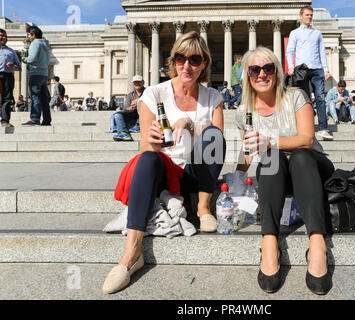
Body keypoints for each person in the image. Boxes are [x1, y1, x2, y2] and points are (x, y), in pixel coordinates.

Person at [102, 31, 225, 294]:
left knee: (212, 134)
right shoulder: (153, 94)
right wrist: (153, 142)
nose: (187, 66)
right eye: (181, 58)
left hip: (194, 171)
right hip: (163, 169)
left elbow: (218, 139)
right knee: (147, 156)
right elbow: (145, 146)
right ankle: (132, 254)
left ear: (204, 63)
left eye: (194, 59)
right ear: (174, 60)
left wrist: (190, 124)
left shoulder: (213, 96)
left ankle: (203, 208)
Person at [235, 46, 335, 295]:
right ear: (247, 75)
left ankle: (317, 243)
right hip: (277, 174)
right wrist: (234, 178)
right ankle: (269, 242)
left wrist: (269, 141)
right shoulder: (243, 112)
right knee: (271, 157)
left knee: (298, 155)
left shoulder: (296, 96)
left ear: (277, 73)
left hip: (311, 167)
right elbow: (248, 152)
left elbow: (308, 139)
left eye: (268, 68)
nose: (262, 74)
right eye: (255, 69)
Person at [286, 5, 333, 141]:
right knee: (305, 99)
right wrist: (291, 66)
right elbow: (290, 51)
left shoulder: (317, 33)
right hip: (302, 70)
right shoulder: (295, 33)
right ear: (301, 16)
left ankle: (323, 128)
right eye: (307, 15)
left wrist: (326, 69)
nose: (309, 17)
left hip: (317, 68)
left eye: (311, 15)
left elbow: (322, 52)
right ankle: (307, 127)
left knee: (320, 98)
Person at [22, 26, 51, 126]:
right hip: (44, 74)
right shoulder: (46, 45)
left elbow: (32, 59)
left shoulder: (35, 43)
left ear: (33, 35)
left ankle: (34, 119)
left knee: (35, 97)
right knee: (44, 99)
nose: (28, 37)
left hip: (35, 73)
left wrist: (24, 59)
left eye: (29, 35)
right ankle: (47, 120)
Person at [112, 75, 145, 141]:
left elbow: (153, 102)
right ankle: (124, 133)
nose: (137, 84)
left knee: (142, 105)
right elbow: (126, 108)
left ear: (143, 82)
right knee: (117, 115)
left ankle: (138, 126)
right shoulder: (130, 95)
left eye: (139, 82)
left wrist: (138, 101)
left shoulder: (148, 92)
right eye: (135, 82)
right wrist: (131, 107)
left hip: (144, 116)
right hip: (132, 117)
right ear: (133, 84)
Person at [0, 28, 21, 127]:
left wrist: (13, 66)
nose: (3, 37)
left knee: (7, 99)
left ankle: (5, 120)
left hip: (7, 76)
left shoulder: (11, 51)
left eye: (4, 36)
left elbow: (19, 66)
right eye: (1, 35)